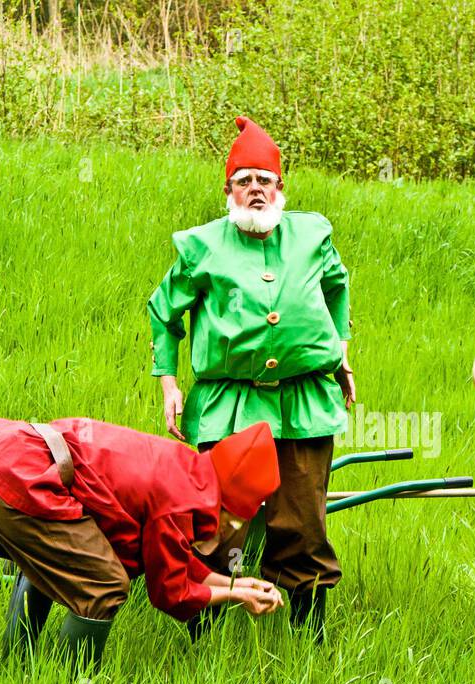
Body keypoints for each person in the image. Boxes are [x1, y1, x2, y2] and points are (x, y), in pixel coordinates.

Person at [148, 116, 354, 643]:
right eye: (245, 180)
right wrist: (168, 382)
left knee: (304, 524)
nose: (255, 189)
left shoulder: (313, 235)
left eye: (265, 180)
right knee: (216, 528)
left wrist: (340, 353)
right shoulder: (201, 247)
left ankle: (311, 644)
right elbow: (164, 312)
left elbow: (337, 288)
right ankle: (205, 642)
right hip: (230, 406)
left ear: (280, 188)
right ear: (228, 190)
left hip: (303, 404)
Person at [0, 418, 284, 671]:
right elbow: (171, 591)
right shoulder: (184, 501)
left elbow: (173, 560)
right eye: (236, 520)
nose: (230, 530)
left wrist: (235, 583)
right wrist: (235, 594)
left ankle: (15, 668)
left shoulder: (186, 471)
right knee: (105, 584)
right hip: (15, 475)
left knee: (55, 559)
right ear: (229, 503)